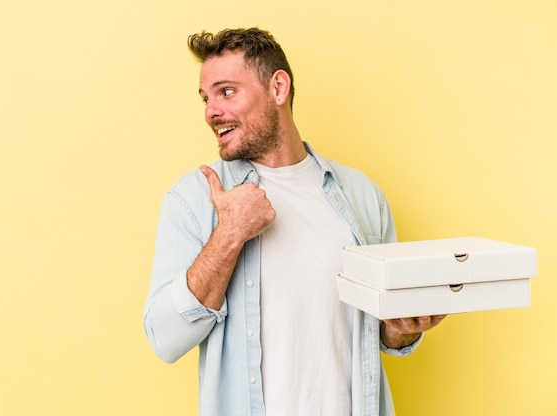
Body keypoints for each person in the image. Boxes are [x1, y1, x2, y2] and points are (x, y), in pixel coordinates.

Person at [143, 27, 445, 416]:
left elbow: (383, 332)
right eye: (205, 98)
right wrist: (229, 234)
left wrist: (405, 327)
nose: (210, 112)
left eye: (226, 91)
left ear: (278, 88)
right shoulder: (194, 198)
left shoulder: (363, 196)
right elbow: (164, 339)